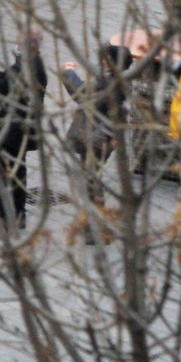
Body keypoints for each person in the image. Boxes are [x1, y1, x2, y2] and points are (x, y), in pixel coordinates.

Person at [61, 45, 133, 243]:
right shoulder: (121, 79)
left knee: (91, 182)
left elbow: (81, 93)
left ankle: (96, 228)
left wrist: (68, 72)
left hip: (98, 138)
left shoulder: (108, 81)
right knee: (92, 178)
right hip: (105, 137)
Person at [0, 31, 48, 232]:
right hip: (22, 131)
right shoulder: (37, 65)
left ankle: (3, 219)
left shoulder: (22, 68)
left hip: (6, 132)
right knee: (18, 173)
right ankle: (18, 216)